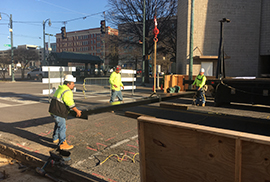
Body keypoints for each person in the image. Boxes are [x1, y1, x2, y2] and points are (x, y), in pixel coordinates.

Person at [49, 74, 82, 150]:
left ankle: (55, 138)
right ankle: (62, 143)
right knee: (62, 127)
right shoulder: (67, 91)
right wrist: (77, 111)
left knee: (58, 124)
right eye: (72, 83)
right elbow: (69, 103)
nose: (74, 85)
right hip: (58, 111)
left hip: (53, 110)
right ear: (68, 84)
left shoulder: (60, 88)